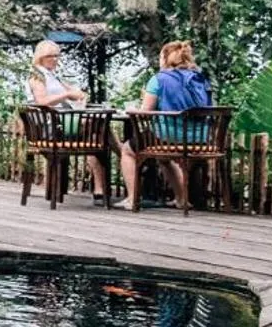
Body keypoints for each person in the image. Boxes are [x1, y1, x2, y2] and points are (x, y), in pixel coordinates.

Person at [122, 40, 213, 210]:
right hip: (201, 139)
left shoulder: (159, 79)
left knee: (128, 149)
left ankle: (132, 198)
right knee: (163, 158)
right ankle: (182, 199)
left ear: (164, 58)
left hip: (168, 137)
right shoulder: (201, 79)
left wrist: (134, 109)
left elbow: (146, 111)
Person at [25, 40, 109, 201]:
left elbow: (74, 92)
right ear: (41, 57)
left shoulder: (53, 76)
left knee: (98, 132)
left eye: (57, 56)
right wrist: (66, 95)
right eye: (51, 56)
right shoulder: (37, 75)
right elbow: (42, 101)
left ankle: (100, 187)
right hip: (49, 127)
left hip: (62, 123)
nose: (55, 59)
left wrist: (77, 95)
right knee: (98, 131)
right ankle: (121, 160)